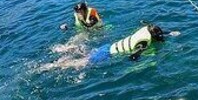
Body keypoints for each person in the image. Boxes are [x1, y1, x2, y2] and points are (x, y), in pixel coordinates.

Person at [38, 24, 168, 72]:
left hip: (108, 46)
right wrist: (138, 62)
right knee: (81, 63)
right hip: (107, 54)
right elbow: (133, 56)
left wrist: (169, 33)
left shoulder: (146, 29)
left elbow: (156, 32)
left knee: (86, 54)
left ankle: (65, 49)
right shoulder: (144, 43)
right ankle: (52, 66)